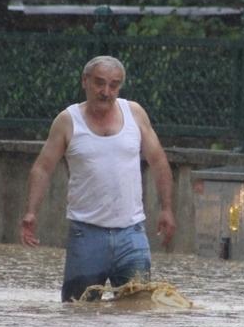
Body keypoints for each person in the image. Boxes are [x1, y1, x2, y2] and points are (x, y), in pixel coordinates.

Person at [19, 55, 176, 301]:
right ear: (85, 81)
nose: (106, 92)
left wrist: (167, 209)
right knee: (78, 309)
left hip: (131, 234)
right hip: (86, 234)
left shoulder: (134, 114)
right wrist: (31, 212)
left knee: (138, 309)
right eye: (99, 83)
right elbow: (42, 168)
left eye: (114, 85)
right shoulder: (67, 121)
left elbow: (158, 161)